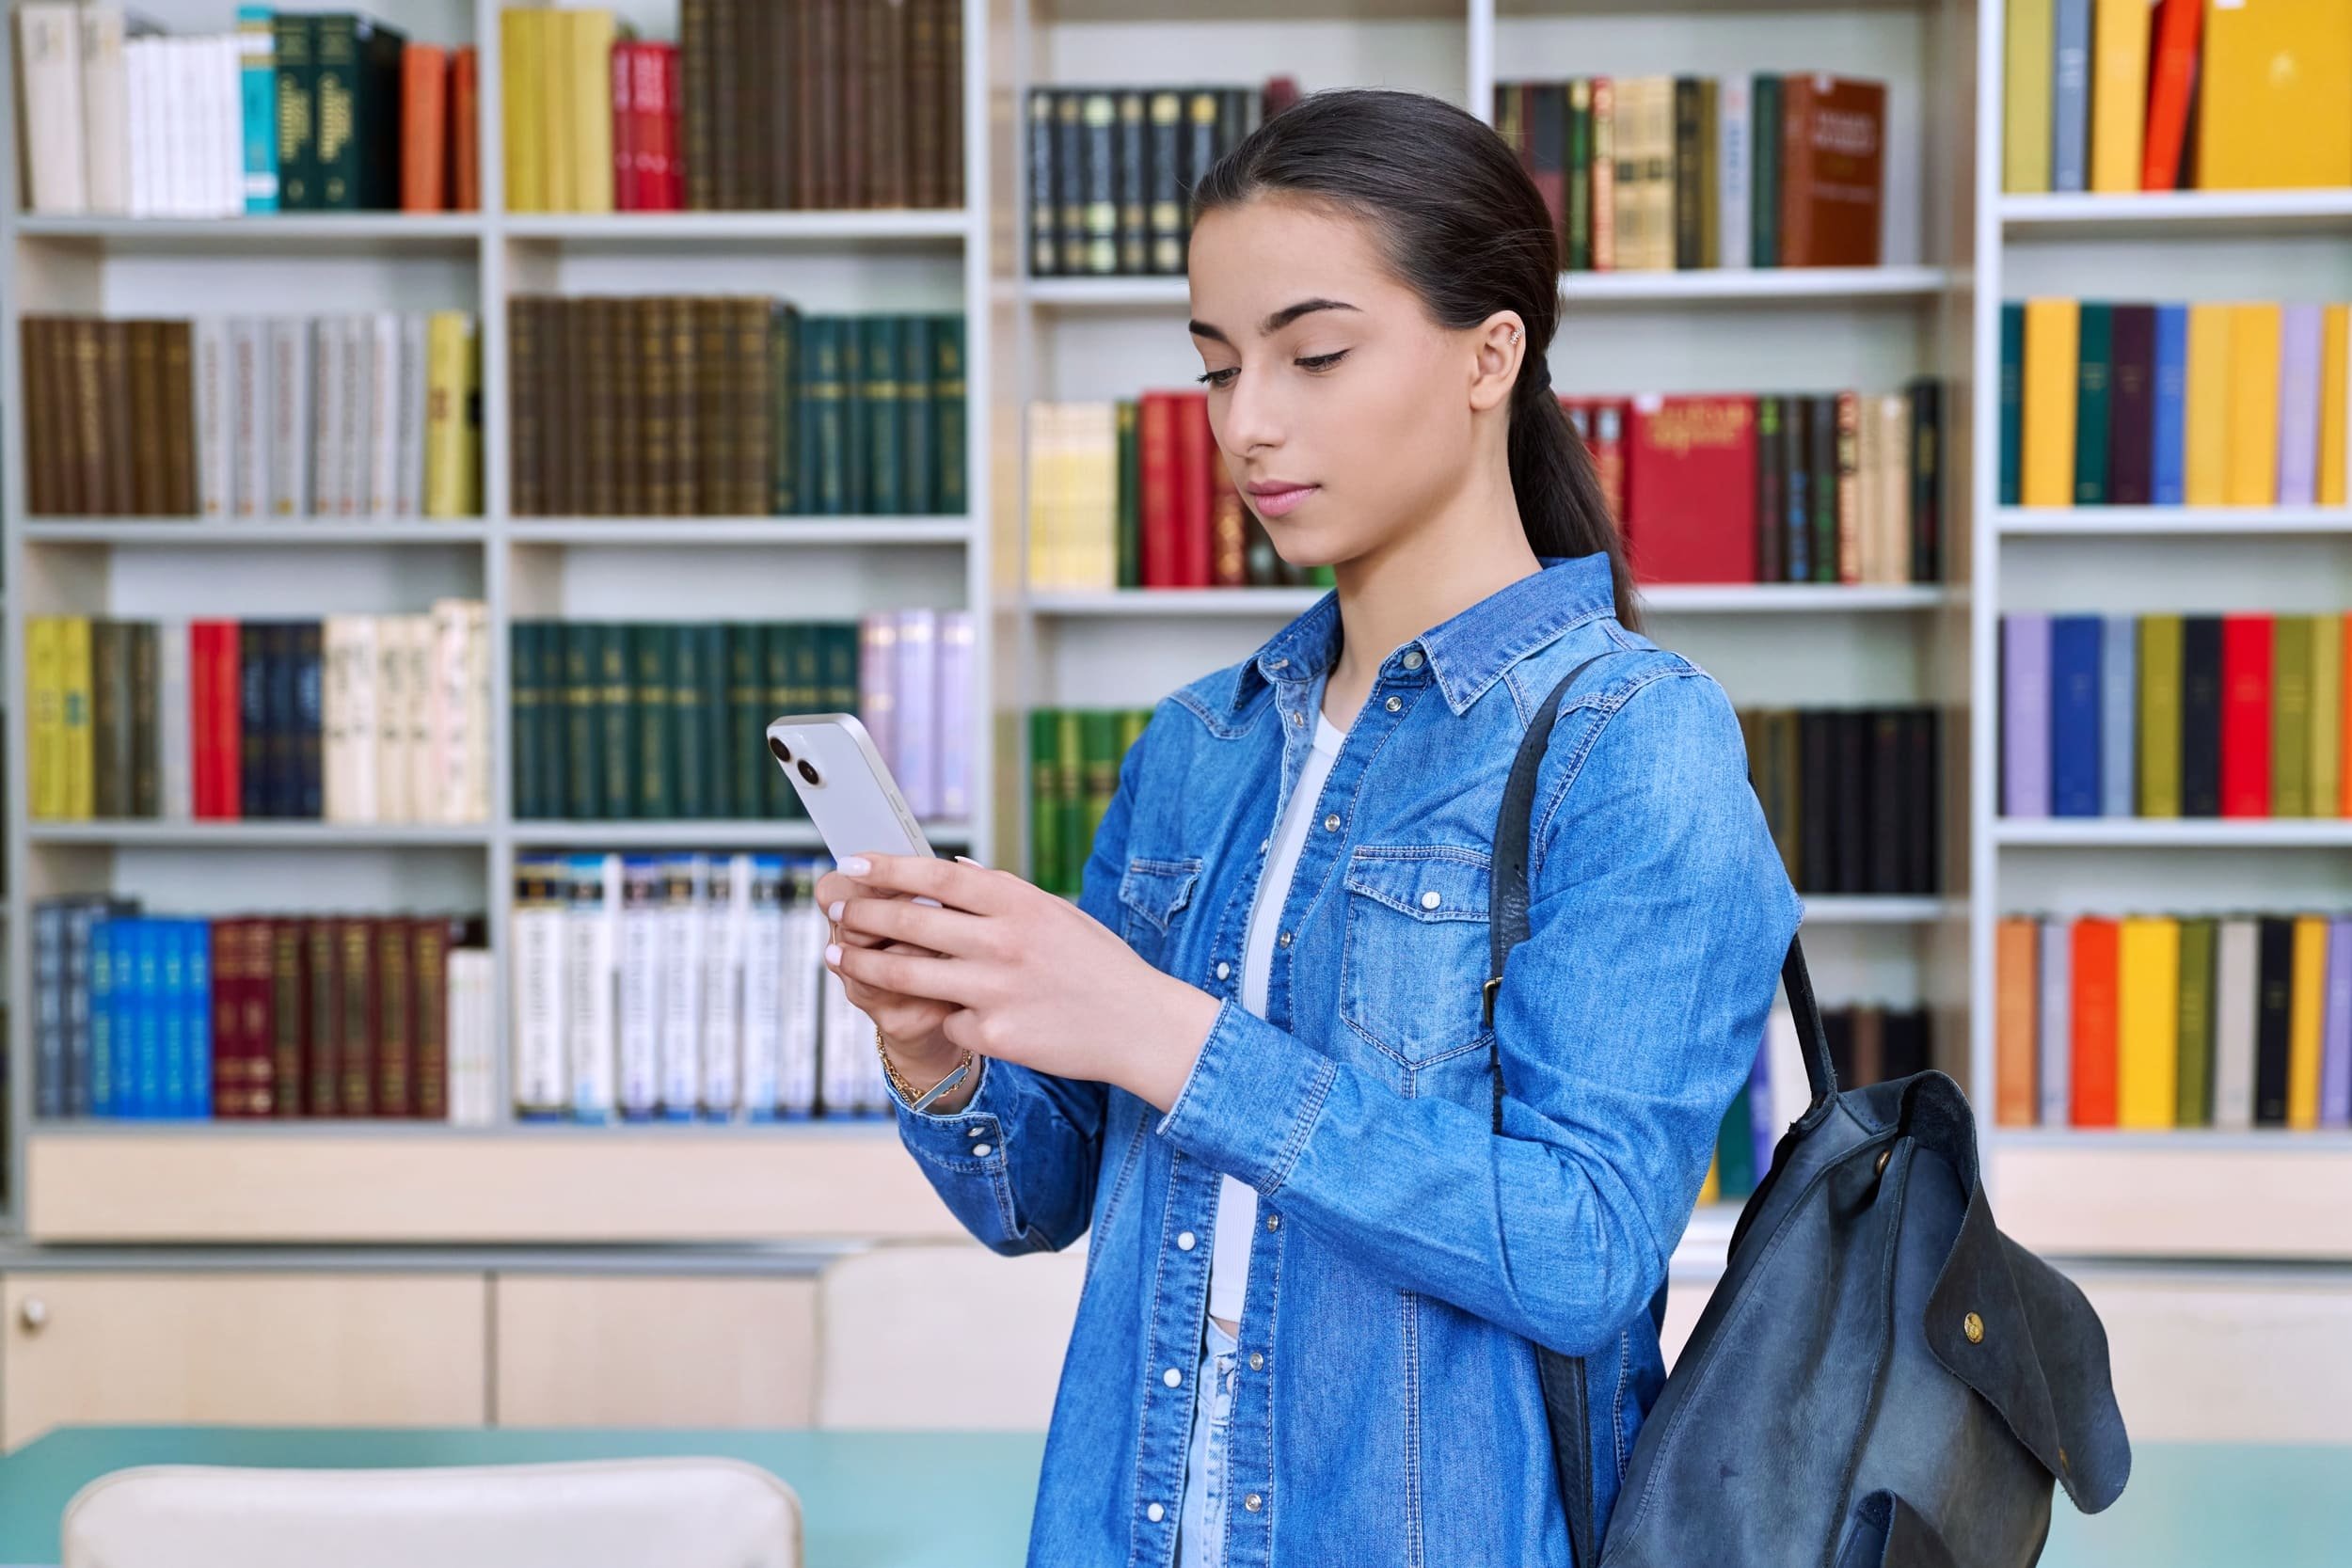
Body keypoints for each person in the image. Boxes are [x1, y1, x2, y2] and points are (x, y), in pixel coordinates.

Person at [813, 86, 1802, 1568]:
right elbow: (1045, 1199)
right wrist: (935, 1051)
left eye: (1315, 355)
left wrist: (1167, 1035)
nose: (1249, 424)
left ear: (1490, 356)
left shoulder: (1632, 741)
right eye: (1218, 369)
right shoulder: (1198, 746)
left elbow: (1585, 1250)